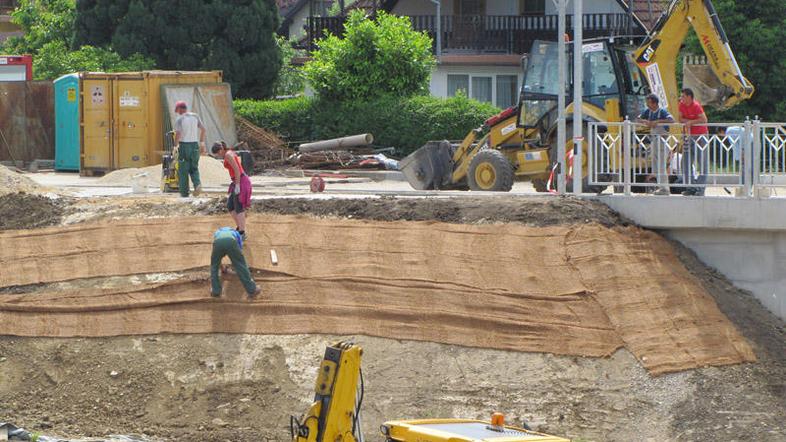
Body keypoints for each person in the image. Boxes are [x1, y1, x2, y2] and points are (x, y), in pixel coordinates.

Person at [211, 141, 252, 240]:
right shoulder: (229, 153)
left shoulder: (228, 155)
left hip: (240, 181)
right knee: (230, 205)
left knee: (238, 206)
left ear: (221, 150)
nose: (218, 156)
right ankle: (239, 227)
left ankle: (242, 232)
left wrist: (237, 185)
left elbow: (237, 170)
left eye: (218, 153)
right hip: (237, 181)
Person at [636, 94, 674, 195]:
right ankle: (660, 186)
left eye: (649, 102)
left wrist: (657, 122)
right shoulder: (648, 111)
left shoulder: (662, 111)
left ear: (654, 103)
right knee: (655, 164)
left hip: (662, 140)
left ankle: (665, 188)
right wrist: (646, 122)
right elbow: (638, 118)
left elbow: (671, 120)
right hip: (654, 140)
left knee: (661, 164)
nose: (647, 105)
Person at [210, 227, 261, 299]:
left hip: (217, 242)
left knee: (214, 266)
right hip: (231, 241)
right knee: (240, 264)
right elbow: (239, 253)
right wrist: (236, 264)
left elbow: (217, 259)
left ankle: (215, 292)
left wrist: (222, 268)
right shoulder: (236, 233)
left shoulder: (218, 232)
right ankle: (252, 290)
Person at [678, 88, 709, 196]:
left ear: (689, 97)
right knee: (685, 162)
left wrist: (691, 122)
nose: (681, 98)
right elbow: (680, 118)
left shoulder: (696, 106)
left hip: (700, 137)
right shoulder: (681, 105)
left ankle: (700, 189)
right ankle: (690, 187)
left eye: (683, 96)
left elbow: (704, 120)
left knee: (702, 163)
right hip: (688, 136)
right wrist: (690, 122)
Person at [174, 101, 207, 197]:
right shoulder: (195, 116)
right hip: (195, 145)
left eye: (177, 110)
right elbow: (203, 129)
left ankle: (184, 193)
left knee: (183, 169)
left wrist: (175, 146)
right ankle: (197, 184)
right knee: (194, 168)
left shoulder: (180, 119)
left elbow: (178, 134)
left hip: (184, 146)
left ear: (180, 109)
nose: (177, 112)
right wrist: (202, 143)